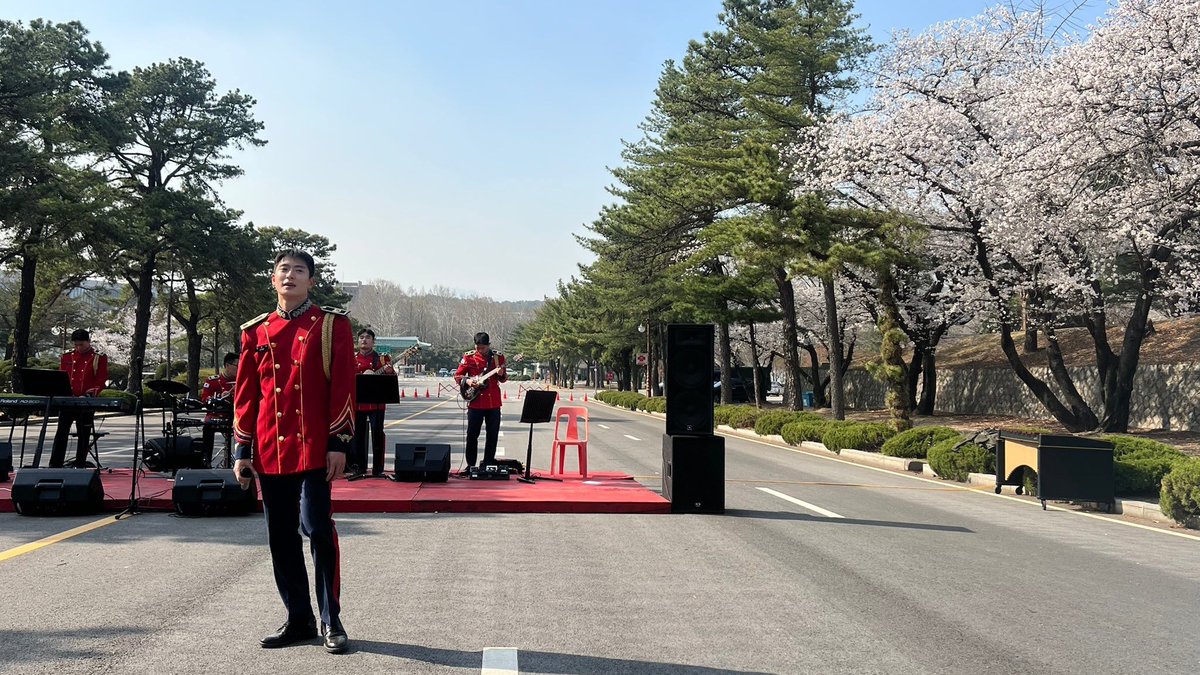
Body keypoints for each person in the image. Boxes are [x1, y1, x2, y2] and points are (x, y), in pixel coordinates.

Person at [232, 250, 355, 654]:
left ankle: (330, 619)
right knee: (280, 537)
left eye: (298, 271)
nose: (290, 276)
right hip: (270, 449)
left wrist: (338, 441)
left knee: (318, 530)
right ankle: (298, 618)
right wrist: (241, 446)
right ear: (273, 279)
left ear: (311, 281)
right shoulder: (255, 331)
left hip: (315, 448)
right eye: (283, 270)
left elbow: (342, 384)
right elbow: (247, 393)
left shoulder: (330, 326)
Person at [49, 329, 108, 468]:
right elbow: (62, 376)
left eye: (81, 344)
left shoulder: (98, 357)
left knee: (84, 435)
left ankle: (80, 464)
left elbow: (101, 379)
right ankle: (55, 464)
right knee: (61, 433)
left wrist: (89, 394)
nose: (78, 348)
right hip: (67, 401)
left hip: (85, 402)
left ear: (88, 342)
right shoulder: (67, 356)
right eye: (76, 345)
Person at [453, 331, 507, 472]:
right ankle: (471, 464)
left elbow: (503, 379)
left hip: (493, 402)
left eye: (482, 347)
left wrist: (501, 374)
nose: (480, 350)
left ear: (488, 345)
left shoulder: (498, 358)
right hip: (476, 402)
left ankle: (488, 462)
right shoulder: (469, 357)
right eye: (477, 347)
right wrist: (469, 381)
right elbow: (458, 376)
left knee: (492, 434)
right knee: (472, 434)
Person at [351, 328, 393, 475]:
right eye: (361, 337)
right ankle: (359, 467)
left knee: (377, 435)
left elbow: (391, 382)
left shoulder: (382, 359)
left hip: (377, 403)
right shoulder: (351, 358)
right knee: (358, 436)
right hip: (358, 403)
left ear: (373, 342)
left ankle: (377, 468)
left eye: (368, 337)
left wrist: (389, 373)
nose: (364, 340)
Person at [199, 352, 237, 468]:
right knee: (207, 426)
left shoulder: (242, 381)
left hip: (235, 416)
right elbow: (205, 400)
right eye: (237, 365)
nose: (239, 368)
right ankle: (206, 459)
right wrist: (221, 397)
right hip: (217, 415)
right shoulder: (213, 381)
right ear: (227, 365)